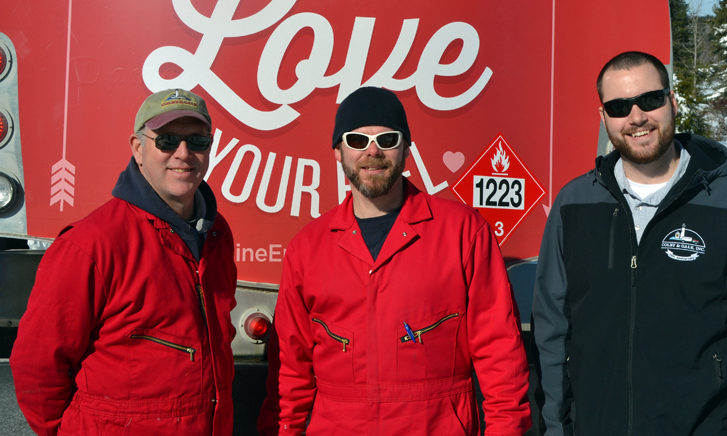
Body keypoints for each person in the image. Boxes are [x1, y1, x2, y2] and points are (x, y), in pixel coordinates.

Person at [533, 51, 727, 435]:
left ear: (672, 102)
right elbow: (552, 333)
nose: (637, 117)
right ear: (604, 117)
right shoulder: (574, 204)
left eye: (650, 100)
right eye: (620, 106)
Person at [257, 86, 532, 435]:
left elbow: (500, 353)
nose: (373, 151)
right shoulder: (307, 248)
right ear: (338, 153)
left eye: (387, 139)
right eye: (357, 141)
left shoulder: (462, 232)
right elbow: (291, 372)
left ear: (406, 149)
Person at [11, 89, 237, 436]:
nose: (183, 153)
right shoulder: (91, 243)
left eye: (197, 140)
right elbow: (37, 364)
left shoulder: (217, 234)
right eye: (166, 140)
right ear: (137, 147)